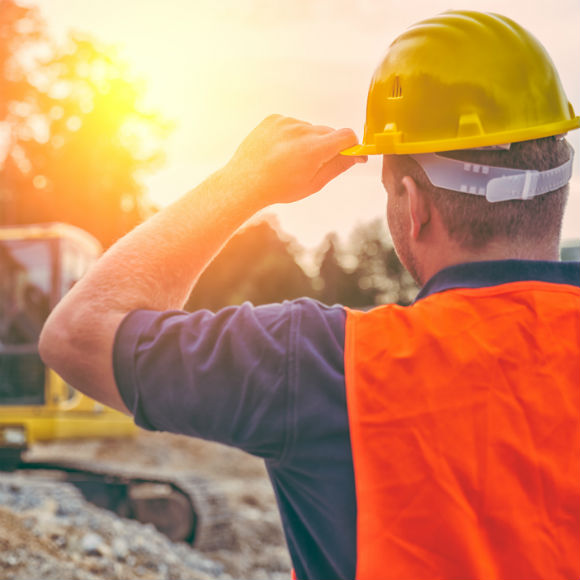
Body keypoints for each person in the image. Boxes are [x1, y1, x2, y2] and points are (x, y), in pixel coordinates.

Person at [39, 10, 580, 580]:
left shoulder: (327, 364)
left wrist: (243, 182)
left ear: (413, 206)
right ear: (559, 184)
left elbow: (78, 334)